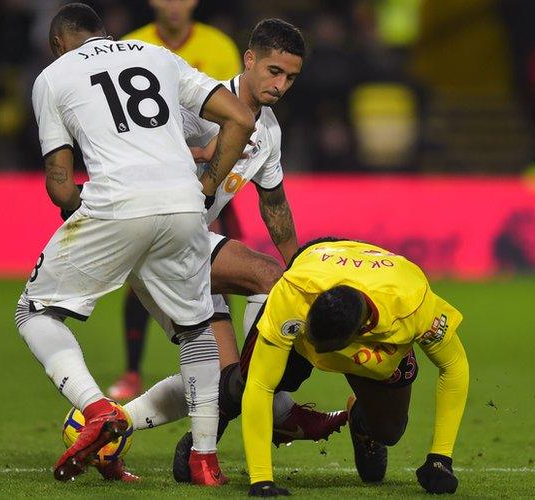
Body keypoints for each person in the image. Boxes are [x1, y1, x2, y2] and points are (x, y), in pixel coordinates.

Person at [14, 2, 254, 485]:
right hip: (185, 206)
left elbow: (60, 183)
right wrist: (207, 184)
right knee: (196, 331)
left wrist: (89, 213)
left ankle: (98, 409)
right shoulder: (156, 54)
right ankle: (205, 462)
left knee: (35, 312)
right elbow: (241, 119)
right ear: (104, 33)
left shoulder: (54, 75)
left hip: (115, 203)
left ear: (58, 43)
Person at [119, 18, 347, 483]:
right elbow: (138, 150)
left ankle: (106, 423)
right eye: (274, 71)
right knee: (268, 279)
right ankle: (272, 394)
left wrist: (302, 265)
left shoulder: (269, 131)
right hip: (156, 235)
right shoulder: (195, 106)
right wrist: (197, 154)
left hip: (183, 242)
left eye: (290, 77)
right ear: (249, 60)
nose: (281, 85)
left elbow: (275, 206)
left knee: (222, 383)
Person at [236, 237, 469, 496]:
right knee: (241, 384)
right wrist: (261, 480)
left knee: (390, 432)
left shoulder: (413, 304)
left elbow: (453, 365)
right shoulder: (295, 292)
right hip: (316, 273)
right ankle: (202, 449)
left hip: (381, 331)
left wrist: (441, 458)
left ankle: (360, 420)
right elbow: (260, 383)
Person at [109, 0, 242, 401]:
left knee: (225, 272)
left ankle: (229, 369)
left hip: (209, 176)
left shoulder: (219, 46)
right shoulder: (130, 46)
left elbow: (233, 114)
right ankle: (132, 371)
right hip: (152, 176)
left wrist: (209, 166)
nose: (174, 4)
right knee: (141, 280)